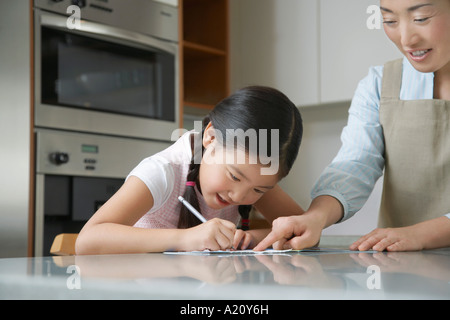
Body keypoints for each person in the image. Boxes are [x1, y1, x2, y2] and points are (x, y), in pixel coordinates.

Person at [255, 0, 450, 252]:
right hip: (404, 269)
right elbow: (357, 164)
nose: (406, 39)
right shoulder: (379, 84)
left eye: (421, 18)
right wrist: (316, 217)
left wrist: (423, 235)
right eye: (389, 21)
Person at [75, 86, 304, 254]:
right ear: (210, 137)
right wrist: (186, 238)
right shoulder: (163, 171)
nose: (241, 196)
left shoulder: (250, 176)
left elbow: (301, 230)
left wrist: (252, 238)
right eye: (234, 176)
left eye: (259, 190)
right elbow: (87, 241)